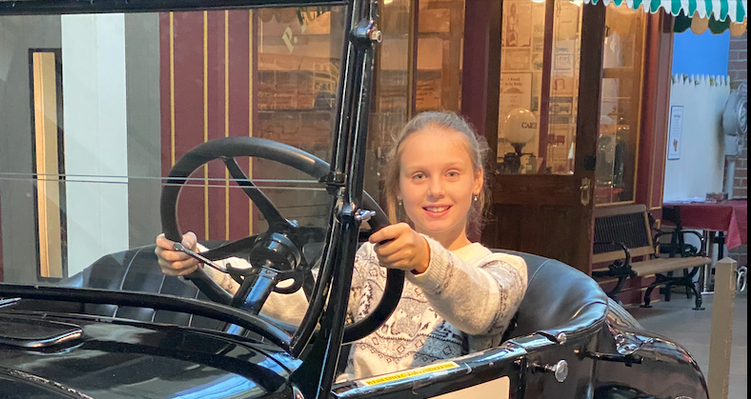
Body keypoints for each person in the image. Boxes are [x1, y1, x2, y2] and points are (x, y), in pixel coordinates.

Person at [154, 111, 528, 383]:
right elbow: (305, 302)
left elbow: (481, 309)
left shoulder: (502, 269)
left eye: (452, 174)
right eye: (418, 176)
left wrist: (425, 258)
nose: (435, 190)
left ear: (476, 181)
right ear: (398, 187)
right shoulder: (370, 260)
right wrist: (203, 264)